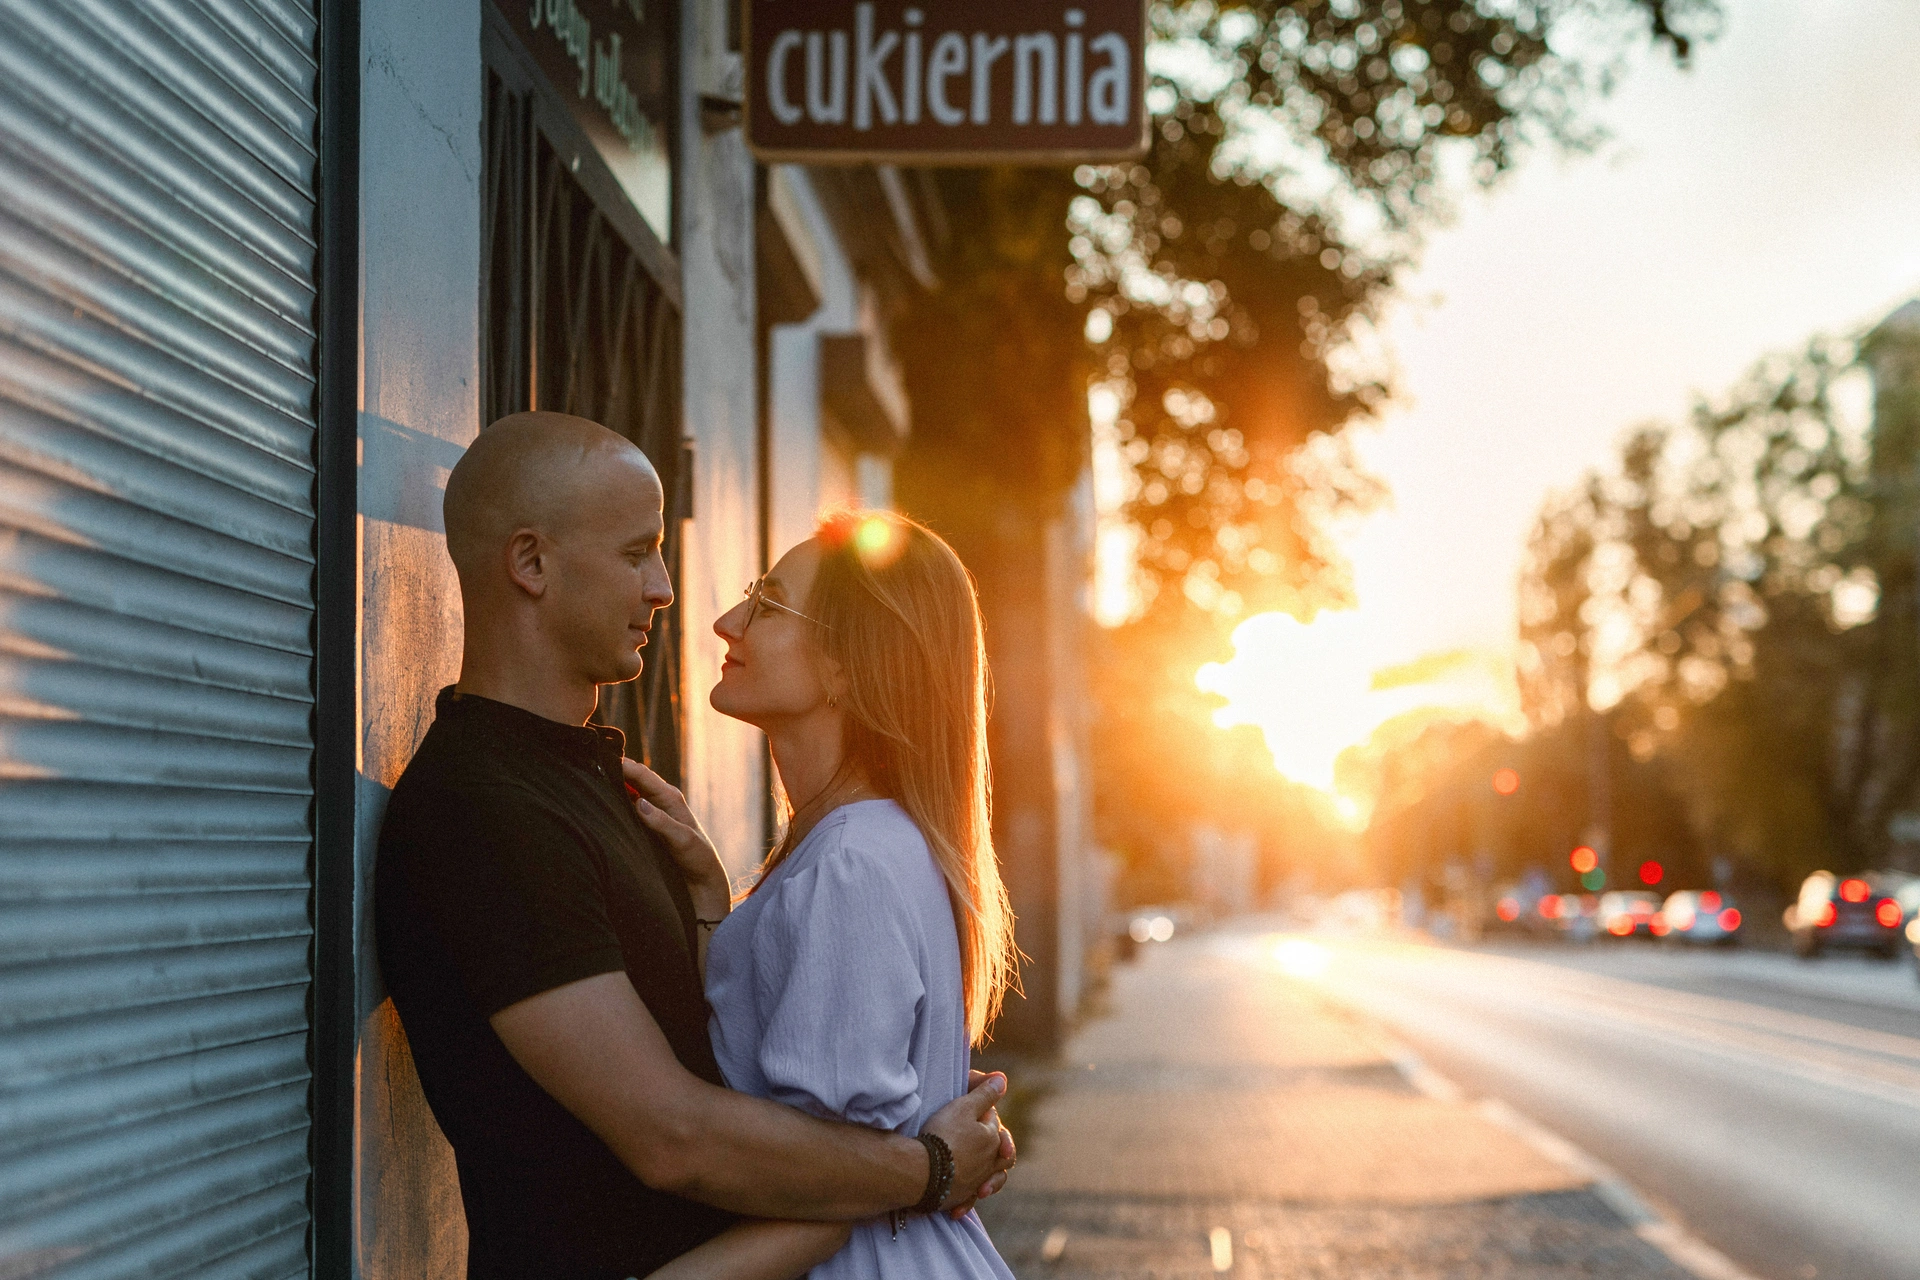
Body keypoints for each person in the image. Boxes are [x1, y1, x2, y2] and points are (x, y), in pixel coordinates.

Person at [374, 413, 1014, 1280]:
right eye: (638, 553)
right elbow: (674, 1134)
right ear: (531, 564)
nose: (674, 593)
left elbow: (746, 1082)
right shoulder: (482, 809)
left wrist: (714, 913)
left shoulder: (603, 791)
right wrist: (929, 1166)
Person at [625, 509, 1019, 1279]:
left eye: (769, 605)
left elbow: (823, 1186)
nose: (726, 620)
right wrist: (711, 898)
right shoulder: (868, 843)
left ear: (845, 667)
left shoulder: (850, 864)